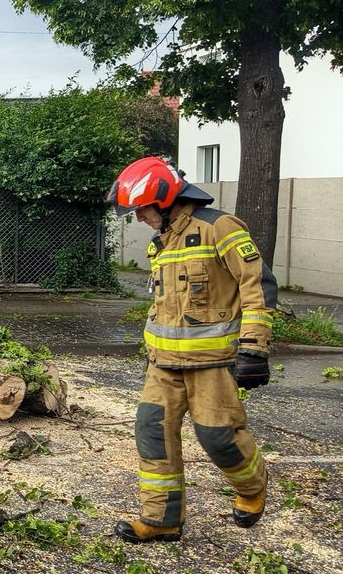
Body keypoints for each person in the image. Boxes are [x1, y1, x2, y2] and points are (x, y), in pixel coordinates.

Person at [107, 157, 277, 543]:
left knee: (219, 437)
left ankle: (253, 487)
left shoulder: (219, 228)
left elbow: (258, 286)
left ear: (165, 200)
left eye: (142, 209)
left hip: (212, 364)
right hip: (163, 366)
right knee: (152, 434)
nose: (138, 218)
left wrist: (254, 347)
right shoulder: (162, 243)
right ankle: (161, 519)